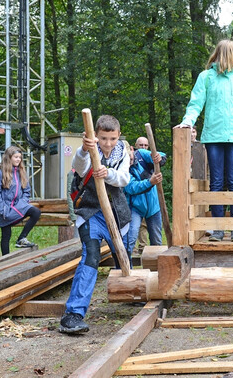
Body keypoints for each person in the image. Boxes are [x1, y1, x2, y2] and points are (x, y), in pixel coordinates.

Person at [59, 114, 131, 334]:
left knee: (123, 255)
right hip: (90, 213)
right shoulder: (89, 151)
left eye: (112, 138)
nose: (107, 143)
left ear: (118, 136)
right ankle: (73, 314)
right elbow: (79, 168)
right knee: (91, 256)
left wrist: (108, 173)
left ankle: (131, 292)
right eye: (103, 138)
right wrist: (83, 149)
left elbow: (124, 179)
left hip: (117, 213)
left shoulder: (123, 153)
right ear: (96, 136)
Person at [175, 39, 233, 242]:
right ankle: (217, 228)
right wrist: (187, 122)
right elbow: (196, 103)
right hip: (214, 138)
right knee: (217, 181)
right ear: (227, 55)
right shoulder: (206, 77)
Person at [0, 146, 41, 255]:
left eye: (20, 157)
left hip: (19, 206)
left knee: (36, 212)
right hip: (5, 209)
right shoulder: (0, 173)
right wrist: (1, 208)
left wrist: (23, 202)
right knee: (6, 235)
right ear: (9, 158)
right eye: (16, 157)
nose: (18, 159)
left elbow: (27, 190)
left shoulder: (21, 172)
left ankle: (21, 239)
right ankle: (6, 261)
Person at [123, 144, 167, 266]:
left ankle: (157, 270)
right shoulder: (121, 167)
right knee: (130, 239)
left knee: (157, 241)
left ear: (132, 150)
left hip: (153, 207)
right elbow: (131, 188)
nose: (129, 162)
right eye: (126, 160)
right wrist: (150, 182)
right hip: (135, 208)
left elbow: (161, 155)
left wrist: (158, 158)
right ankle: (127, 268)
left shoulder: (141, 154)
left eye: (130, 158)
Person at [132, 137, 151, 255]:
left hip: (148, 200)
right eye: (141, 145)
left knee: (143, 225)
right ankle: (132, 249)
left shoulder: (149, 161)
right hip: (134, 200)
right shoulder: (130, 159)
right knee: (133, 226)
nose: (143, 147)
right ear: (135, 146)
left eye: (145, 145)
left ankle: (143, 248)